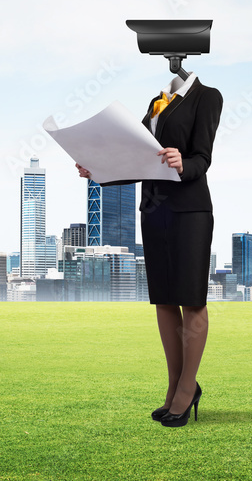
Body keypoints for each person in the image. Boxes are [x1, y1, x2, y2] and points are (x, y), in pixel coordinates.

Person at [75, 71, 223, 427]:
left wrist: (183, 162)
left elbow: (203, 156)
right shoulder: (155, 105)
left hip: (190, 212)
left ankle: (189, 387)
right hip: (155, 213)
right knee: (164, 301)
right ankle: (174, 387)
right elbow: (137, 161)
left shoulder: (208, 96)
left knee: (192, 300)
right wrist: (99, 171)